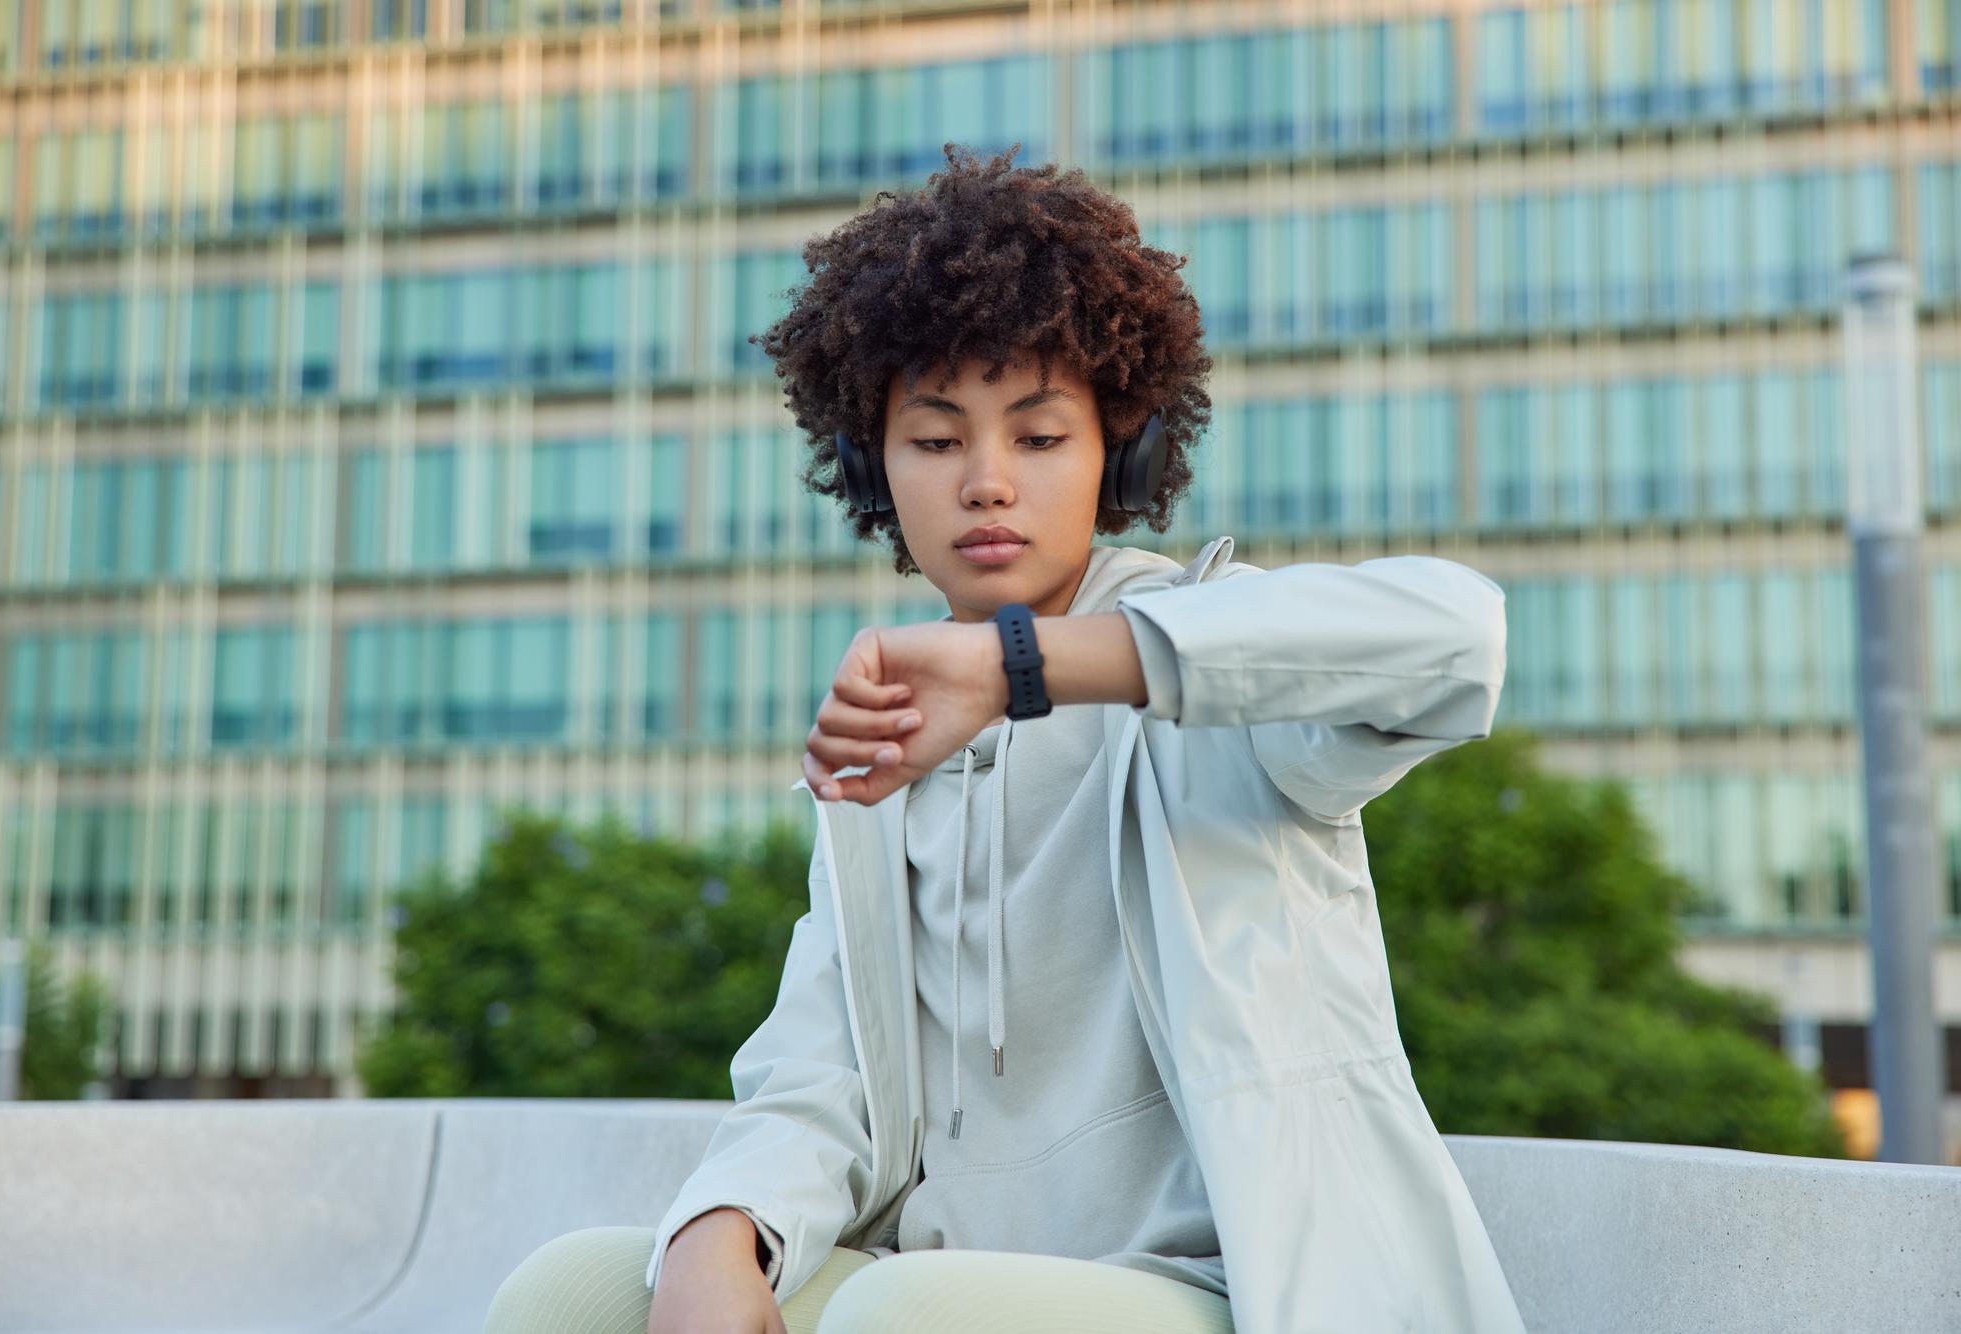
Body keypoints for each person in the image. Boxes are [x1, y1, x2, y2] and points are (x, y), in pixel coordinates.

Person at [486, 142, 1527, 1334]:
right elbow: (823, 1074)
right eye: (936, 441)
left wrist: (1023, 666)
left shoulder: (1213, 679)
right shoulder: (887, 732)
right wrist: (718, 1233)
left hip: (1221, 1291)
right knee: (569, 1294)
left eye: (1037, 437)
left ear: (1115, 451)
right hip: (942, 1274)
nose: (986, 481)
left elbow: (1457, 642)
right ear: (875, 467)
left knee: (906, 1313)